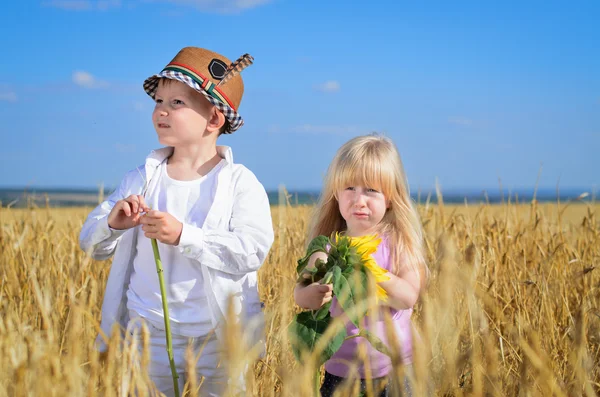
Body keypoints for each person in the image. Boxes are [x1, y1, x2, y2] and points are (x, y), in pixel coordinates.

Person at [79, 46, 274, 396]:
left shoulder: (240, 183)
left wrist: (184, 235)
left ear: (214, 120)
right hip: (147, 332)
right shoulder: (140, 179)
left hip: (219, 336)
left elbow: (252, 251)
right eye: (158, 101)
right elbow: (90, 244)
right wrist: (112, 223)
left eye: (177, 103)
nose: (161, 112)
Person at [293, 134, 428, 396]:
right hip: (342, 374)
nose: (359, 200)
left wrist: (372, 271)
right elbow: (302, 293)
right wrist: (312, 294)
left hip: (396, 371)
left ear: (390, 197)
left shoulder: (398, 243)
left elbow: (407, 297)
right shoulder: (328, 249)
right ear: (336, 193)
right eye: (350, 188)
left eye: (371, 190)